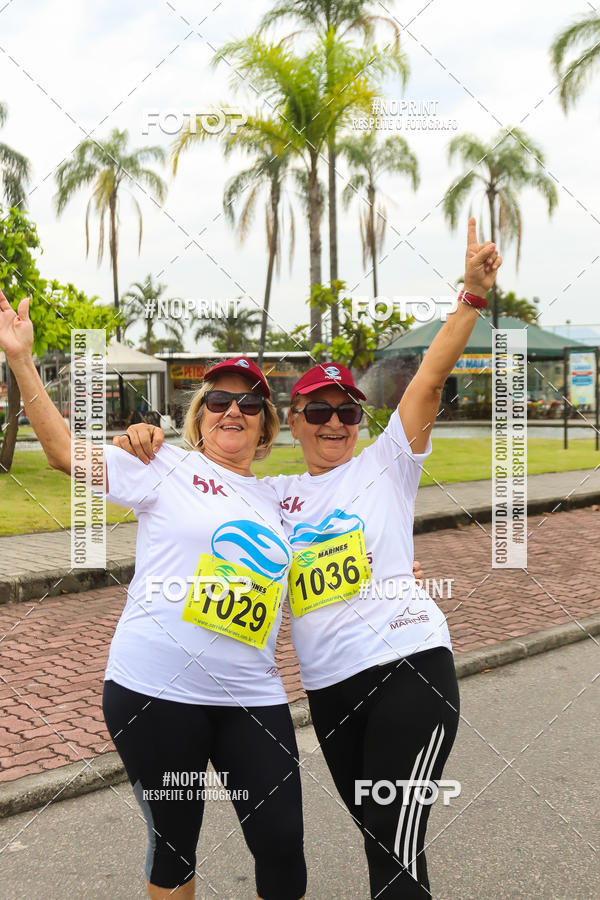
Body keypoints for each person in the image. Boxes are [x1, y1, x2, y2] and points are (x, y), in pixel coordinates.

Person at [119, 216, 501, 897]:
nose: (333, 425)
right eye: (317, 414)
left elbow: (430, 382)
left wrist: (469, 298)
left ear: (362, 421)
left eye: (347, 413)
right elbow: (208, 489)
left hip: (408, 666)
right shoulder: (268, 497)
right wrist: (147, 439)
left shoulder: (389, 463)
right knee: (374, 831)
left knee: (395, 849)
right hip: (330, 691)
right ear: (288, 424)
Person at [0, 297, 307, 900]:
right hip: (154, 693)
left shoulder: (283, 500)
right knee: (174, 845)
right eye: (218, 400)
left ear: (266, 423)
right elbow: (64, 453)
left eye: (249, 403)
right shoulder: (160, 466)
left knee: (281, 844)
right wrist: (22, 360)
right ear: (199, 415)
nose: (233, 411)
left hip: (252, 695)